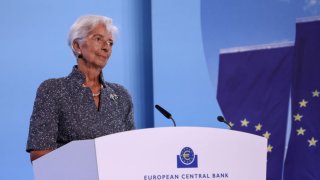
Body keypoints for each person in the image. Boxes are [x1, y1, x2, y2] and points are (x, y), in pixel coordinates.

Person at [26, 15, 135, 161]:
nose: (106, 47)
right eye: (98, 39)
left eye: (110, 43)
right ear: (77, 46)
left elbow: (132, 150)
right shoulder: (53, 90)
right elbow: (39, 155)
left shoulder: (121, 95)